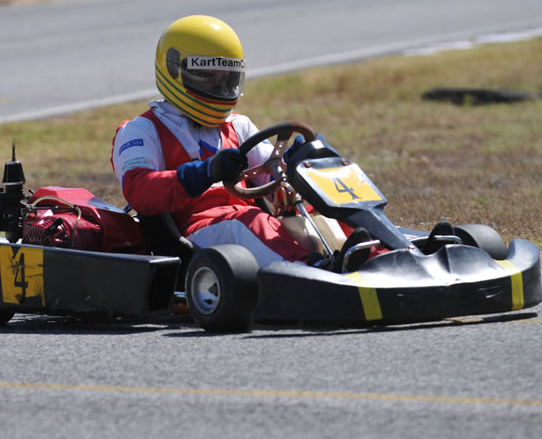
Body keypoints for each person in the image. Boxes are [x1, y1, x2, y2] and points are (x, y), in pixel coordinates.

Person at [111, 15, 368, 270]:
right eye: (207, 75)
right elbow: (140, 190)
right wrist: (206, 172)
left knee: (322, 209)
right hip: (195, 232)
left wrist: (302, 163)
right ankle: (317, 270)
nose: (220, 86)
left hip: (247, 225)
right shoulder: (141, 130)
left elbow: (271, 175)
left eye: (226, 78)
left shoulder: (237, 125)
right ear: (175, 69)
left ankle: (375, 251)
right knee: (249, 221)